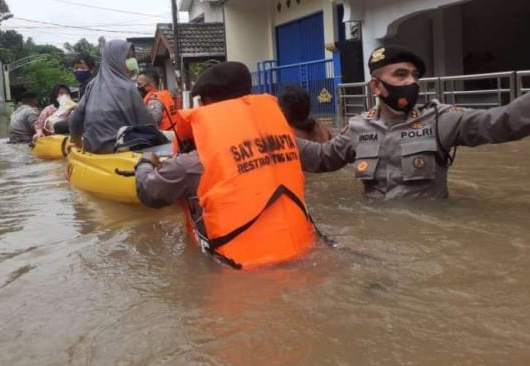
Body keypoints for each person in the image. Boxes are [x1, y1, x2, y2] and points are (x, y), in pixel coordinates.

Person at [135, 62, 317, 270]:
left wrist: (145, 162)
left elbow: (148, 191)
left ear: (208, 103)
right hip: (303, 255)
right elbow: (325, 157)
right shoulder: (285, 142)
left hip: (238, 274)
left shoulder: (195, 162)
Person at [297, 45, 530, 199]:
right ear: (376, 86)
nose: (412, 82)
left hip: (431, 239)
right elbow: (323, 158)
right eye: (400, 75)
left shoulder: (440, 119)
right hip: (377, 235)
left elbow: (500, 122)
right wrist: (269, 137)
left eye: (415, 76)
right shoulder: (359, 127)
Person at [69, 39, 153, 154]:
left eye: (132, 57)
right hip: (118, 148)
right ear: (116, 60)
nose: (131, 61)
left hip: (91, 147)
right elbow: (147, 124)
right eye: (127, 57)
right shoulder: (128, 87)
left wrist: (76, 141)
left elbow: (75, 118)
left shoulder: (91, 85)